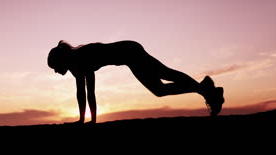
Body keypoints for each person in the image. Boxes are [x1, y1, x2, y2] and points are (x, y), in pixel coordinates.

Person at [48, 40, 224, 124]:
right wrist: (81, 120)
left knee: (165, 76)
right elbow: (81, 92)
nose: (56, 71)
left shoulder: (80, 59)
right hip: (129, 53)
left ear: (60, 59)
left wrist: (90, 121)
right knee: (160, 88)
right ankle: (206, 89)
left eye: (55, 67)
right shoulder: (75, 64)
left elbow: (90, 91)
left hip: (130, 52)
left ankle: (206, 90)